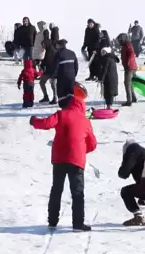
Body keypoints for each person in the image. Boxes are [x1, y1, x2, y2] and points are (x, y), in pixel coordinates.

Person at [30, 96, 97, 231]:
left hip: (59, 158)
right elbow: (93, 144)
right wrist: (81, 150)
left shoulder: (61, 114)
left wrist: (34, 121)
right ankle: (78, 224)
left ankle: (52, 222)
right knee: (77, 192)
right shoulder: (85, 121)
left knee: (56, 190)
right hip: (76, 160)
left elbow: (46, 123)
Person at [52, 39, 78, 108]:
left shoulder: (58, 54)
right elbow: (76, 66)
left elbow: (55, 67)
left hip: (62, 77)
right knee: (70, 93)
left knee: (62, 94)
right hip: (71, 77)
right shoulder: (72, 53)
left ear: (59, 45)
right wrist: (73, 75)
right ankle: (71, 108)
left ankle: (64, 109)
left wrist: (54, 76)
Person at [120, 34, 138, 106]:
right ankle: (133, 98)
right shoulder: (126, 45)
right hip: (131, 67)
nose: (119, 41)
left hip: (129, 68)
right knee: (130, 83)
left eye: (120, 39)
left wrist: (128, 62)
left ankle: (129, 101)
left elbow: (131, 53)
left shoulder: (127, 45)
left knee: (127, 83)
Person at [38, 38, 58, 104]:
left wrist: (42, 66)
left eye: (43, 45)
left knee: (53, 85)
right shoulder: (48, 50)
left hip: (53, 71)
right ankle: (46, 97)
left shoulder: (51, 51)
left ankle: (54, 98)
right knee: (42, 82)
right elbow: (45, 60)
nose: (43, 46)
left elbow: (48, 61)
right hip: (49, 71)